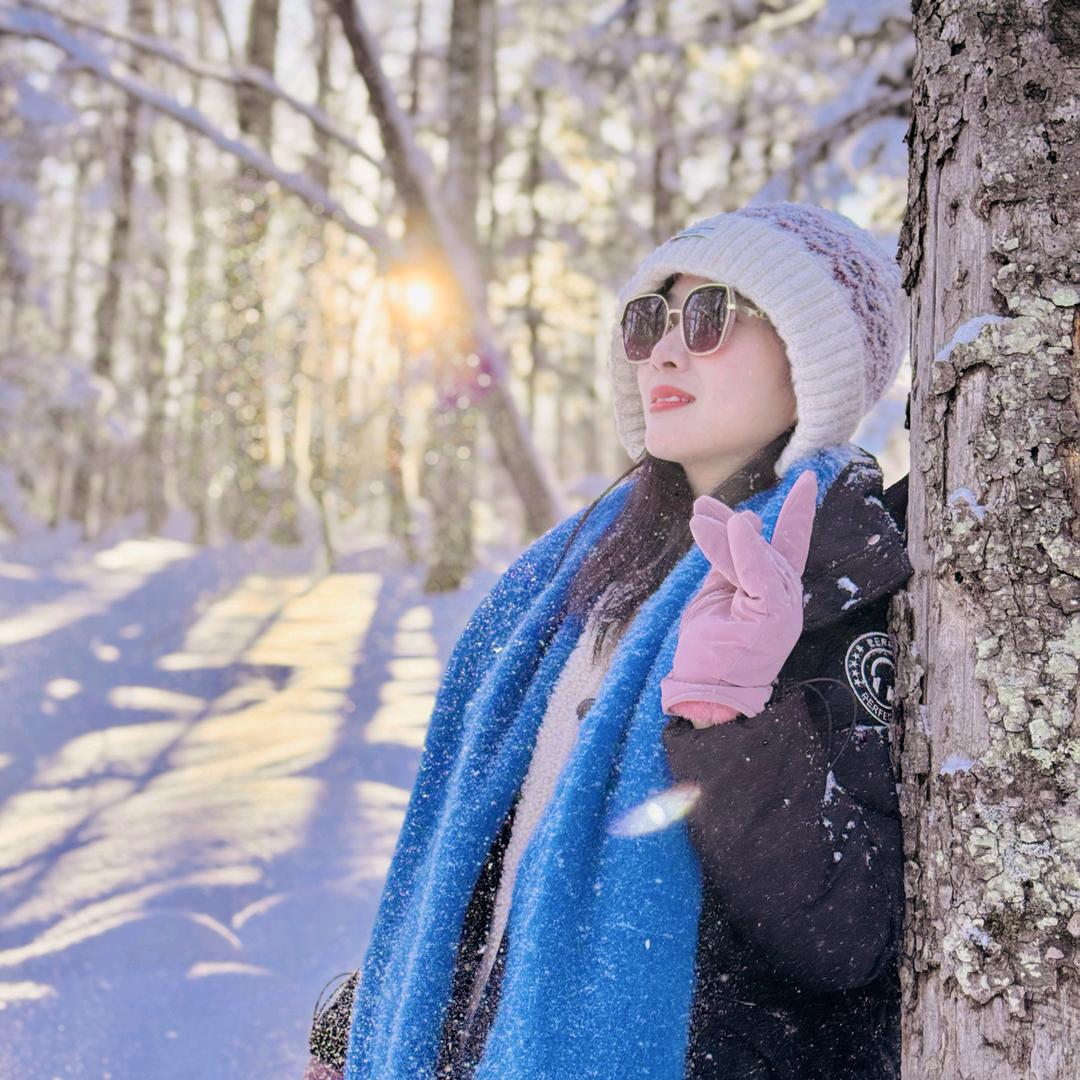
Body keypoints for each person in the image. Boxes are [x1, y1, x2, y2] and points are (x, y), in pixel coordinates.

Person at [301, 200, 914, 1080]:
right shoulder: (573, 584)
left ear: (812, 360)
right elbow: (504, 860)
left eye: (710, 319)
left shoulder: (846, 587)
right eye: (649, 320)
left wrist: (733, 731)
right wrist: (367, 1027)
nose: (663, 351)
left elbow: (851, 936)